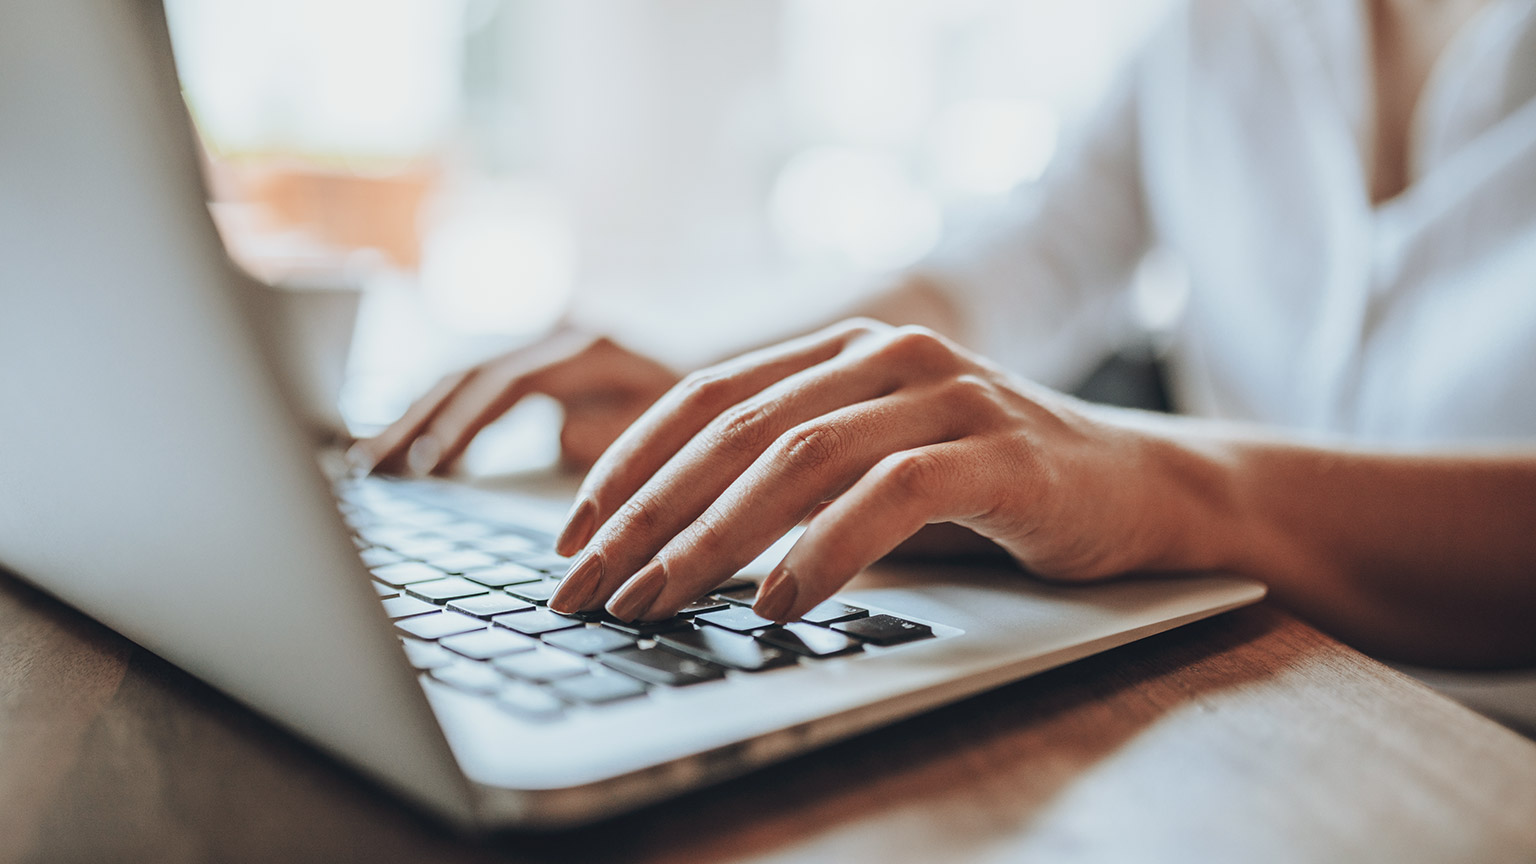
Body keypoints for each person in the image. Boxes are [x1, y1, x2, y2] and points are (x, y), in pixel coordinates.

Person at [349, 0, 1536, 672]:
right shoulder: (1217, 29)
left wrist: (1172, 485)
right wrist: (720, 392)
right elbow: (996, 270)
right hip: (1270, 696)